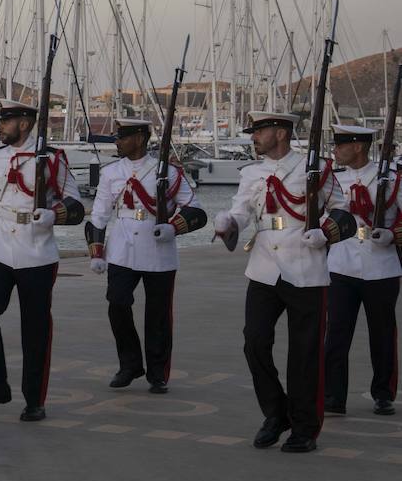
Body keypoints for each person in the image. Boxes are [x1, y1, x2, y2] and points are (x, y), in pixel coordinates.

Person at [214, 111, 356, 453]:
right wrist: (227, 220)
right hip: (264, 266)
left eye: (259, 131)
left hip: (305, 265)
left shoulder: (315, 169)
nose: (253, 138)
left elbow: (343, 210)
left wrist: (325, 234)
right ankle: (276, 414)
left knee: (305, 353)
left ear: (279, 132)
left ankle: (305, 428)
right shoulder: (251, 173)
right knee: (254, 341)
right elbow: (241, 213)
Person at [0, 98, 85, 422]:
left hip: (37, 251)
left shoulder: (52, 158)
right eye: (1, 121)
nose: (1, 127)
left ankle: (34, 399)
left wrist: (54, 214)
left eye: (7, 121)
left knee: (34, 328)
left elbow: (75, 204)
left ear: (24, 123)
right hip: (1, 247)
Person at [85, 118, 207, 393]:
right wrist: (96, 252)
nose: (117, 141)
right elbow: (99, 215)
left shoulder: (168, 173)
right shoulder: (111, 172)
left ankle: (157, 372)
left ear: (139, 139)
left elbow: (196, 211)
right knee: (117, 304)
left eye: (123, 136)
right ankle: (129, 364)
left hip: (157, 250)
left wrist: (172, 228)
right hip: (122, 249)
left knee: (158, 315)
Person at [323, 124, 401, 416]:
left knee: (382, 335)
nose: (335, 150)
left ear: (357, 146)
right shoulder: (334, 180)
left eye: (340, 145)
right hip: (341, 265)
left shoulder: (390, 180)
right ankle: (333, 395)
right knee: (337, 334)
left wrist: (393, 235)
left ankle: (383, 393)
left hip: (380, 266)